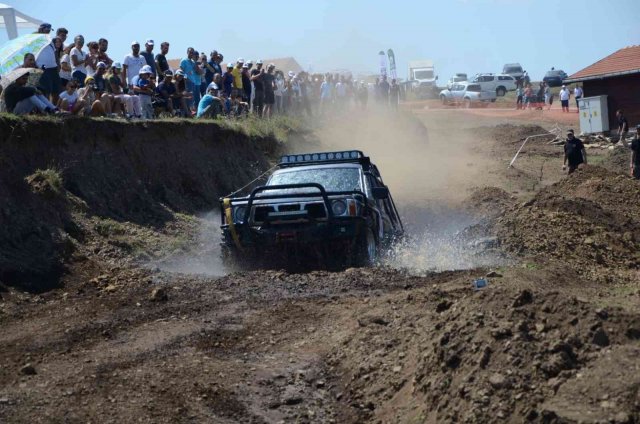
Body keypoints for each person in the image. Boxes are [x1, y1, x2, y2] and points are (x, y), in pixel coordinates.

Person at [36, 36, 62, 104]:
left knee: (56, 90)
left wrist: (58, 65)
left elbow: (55, 53)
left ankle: (53, 108)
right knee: (46, 89)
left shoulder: (50, 42)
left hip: (54, 69)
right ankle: (46, 108)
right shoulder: (35, 43)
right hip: (44, 68)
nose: (48, 30)